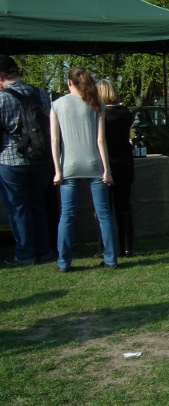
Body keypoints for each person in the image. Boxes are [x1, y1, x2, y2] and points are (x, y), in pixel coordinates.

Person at [51, 67, 118, 272]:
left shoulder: (57, 105)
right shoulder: (96, 104)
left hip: (68, 165)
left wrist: (57, 170)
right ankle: (111, 259)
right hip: (94, 164)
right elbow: (100, 140)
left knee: (67, 216)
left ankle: (63, 262)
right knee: (104, 214)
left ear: (69, 82)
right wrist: (107, 169)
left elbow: (55, 140)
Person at [0, 55, 53, 266]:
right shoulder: (40, 93)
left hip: (11, 160)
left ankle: (25, 254)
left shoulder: (2, 98)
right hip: (41, 157)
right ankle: (45, 250)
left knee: (18, 208)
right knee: (38, 204)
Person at [97, 79, 134, 257]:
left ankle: (105, 246)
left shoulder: (101, 115)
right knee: (124, 205)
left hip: (106, 163)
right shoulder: (126, 113)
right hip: (125, 162)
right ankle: (127, 246)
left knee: (104, 208)